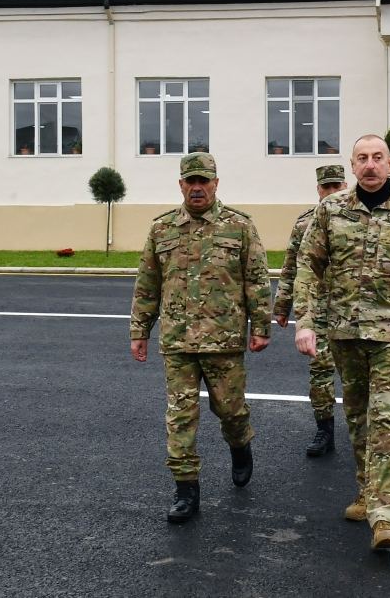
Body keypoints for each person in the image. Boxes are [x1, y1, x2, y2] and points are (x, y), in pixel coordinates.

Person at [293, 135, 390, 551]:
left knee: (386, 417)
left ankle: (385, 515)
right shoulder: (331, 210)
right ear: (353, 166)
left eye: (378, 158)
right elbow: (309, 266)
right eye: (363, 159)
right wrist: (306, 322)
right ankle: (366, 491)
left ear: (389, 164)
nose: (371, 165)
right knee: (357, 416)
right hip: (344, 332)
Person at [129, 152, 272, 523]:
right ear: (180, 185)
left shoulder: (239, 226)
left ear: (215, 184)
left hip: (223, 340)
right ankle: (185, 488)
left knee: (230, 410)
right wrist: (139, 330)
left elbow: (257, 279)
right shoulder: (162, 229)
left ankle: (240, 445)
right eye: (190, 182)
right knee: (180, 417)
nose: (197, 188)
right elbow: (147, 284)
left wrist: (261, 327)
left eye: (203, 181)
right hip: (177, 342)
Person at [273, 164, 348, 457]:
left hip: (352, 311)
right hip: (316, 310)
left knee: (358, 375)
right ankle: (324, 430)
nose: (330, 193)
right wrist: (282, 305)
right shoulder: (305, 224)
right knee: (320, 373)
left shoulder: (361, 220)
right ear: (318, 190)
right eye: (325, 188)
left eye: (336, 187)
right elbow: (291, 265)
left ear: (345, 186)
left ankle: (364, 431)